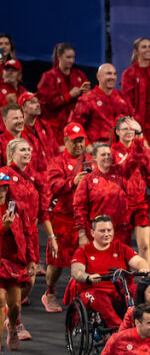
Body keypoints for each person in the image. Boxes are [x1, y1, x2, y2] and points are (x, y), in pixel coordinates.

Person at [3, 138, 53, 322]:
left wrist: (51, 236)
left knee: (29, 281)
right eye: (22, 150)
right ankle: (13, 321)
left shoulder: (31, 179)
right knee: (13, 282)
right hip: (10, 235)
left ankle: (11, 313)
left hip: (30, 236)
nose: (27, 153)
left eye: (29, 150)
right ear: (11, 154)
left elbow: (41, 211)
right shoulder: (4, 174)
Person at [43, 123, 92, 311]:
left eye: (81, 140)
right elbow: (54, 186)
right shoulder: (57, 162)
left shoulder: (90, 160)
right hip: (62, 218)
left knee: (84, 259)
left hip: (84, 217)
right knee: (57, 262)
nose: (79, 145)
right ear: (65, 141)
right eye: (74, 141)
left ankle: (79, 294)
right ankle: (50, 292)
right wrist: (74, 181)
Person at [69, 215, 149, 327]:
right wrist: (88, 277)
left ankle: (147, 323)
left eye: (109, 230)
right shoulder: (83, 251)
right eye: (102, 231)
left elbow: (139, 261)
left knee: (144, 290)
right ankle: (120, 329)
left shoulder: (120, 247)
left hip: (119, 289)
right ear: (92, 233)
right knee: (101, 299)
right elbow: (76, 271)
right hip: (94, 290)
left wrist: (144, 268)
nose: (107, 234)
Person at [110, 115, 150, 264]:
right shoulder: (111, 153)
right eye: (125, 129)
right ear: (117, 132)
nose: (129, 132)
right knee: (122, 247)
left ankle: (145, 279)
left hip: (140, 204)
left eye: (132, 129)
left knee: (145, 246)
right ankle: (123, 280)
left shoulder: (142, 151)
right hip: (120, 206)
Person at [73, 142, 133, 245]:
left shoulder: (120, 174)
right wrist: (82, 234)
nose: (107, 157)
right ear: (95, 158)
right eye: (103, 155)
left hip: (119, 233)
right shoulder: (88, 179)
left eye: (109, 154)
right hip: (96, 233)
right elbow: (79, 207)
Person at [0, 172, 29, 351]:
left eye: (4, 186)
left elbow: (27, 232)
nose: (1, 190)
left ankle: (12, 327)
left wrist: (32, 259)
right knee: (0, 298)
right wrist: (3, 228)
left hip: (13, 263)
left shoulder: (14, 208)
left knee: (15, 305)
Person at [70, 63, 133, 145]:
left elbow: (130, 121)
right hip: (96, 150)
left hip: (119, 149)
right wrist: (86, 145)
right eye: (108, 74)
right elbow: (75, 126)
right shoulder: (87, 99)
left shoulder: (121, 97)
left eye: (114, 74)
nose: (113, 77)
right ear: (98, 76)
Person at [35, 43, 90, 130]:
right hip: (54, 126)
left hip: (75, 125)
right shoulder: (49, 76)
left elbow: (88, 101)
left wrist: (86, 94)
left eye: (73, 57)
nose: (71, 60)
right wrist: (69, 95)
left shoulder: (79, 75)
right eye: (68, 57)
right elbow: (46, 104)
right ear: (59, 57)